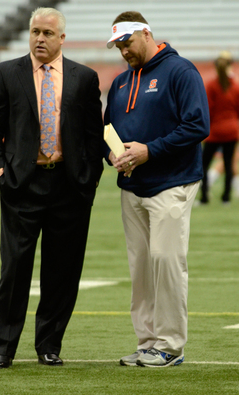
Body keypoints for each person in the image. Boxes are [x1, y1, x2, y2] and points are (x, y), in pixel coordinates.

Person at [0, 7, 103, 369]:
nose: (39, 39)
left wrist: (90, 179)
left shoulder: (85, 77)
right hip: (21, 185)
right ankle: (5, 346)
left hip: (70, 186)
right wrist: (0, 173)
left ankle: (49, 344)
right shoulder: (7, 72)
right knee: (15, 269)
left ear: (62, 38)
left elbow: (93, 136)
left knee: (62, 271)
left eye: (48, 33)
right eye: (35, 31)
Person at [104, 11, 209, 367]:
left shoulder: (181, 71)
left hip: (172, 182)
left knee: (166, 261)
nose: (123, 51)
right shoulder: (119, 83)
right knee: (141, 268)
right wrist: (114, 155)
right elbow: (108, 132)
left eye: (127, 43)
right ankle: (147, 341)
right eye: (118, 45)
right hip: (132, 186)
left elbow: (198, 125)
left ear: (146, 33)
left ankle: (170, 345)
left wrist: (150, 151)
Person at [200, 51, 239, 204]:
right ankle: (226, 198)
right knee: (229, 165)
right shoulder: (235, 87)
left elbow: (207, 109)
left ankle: (204, 198)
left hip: (214, 131)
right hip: (231, 131)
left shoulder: (211, 85)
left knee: (204, 164)